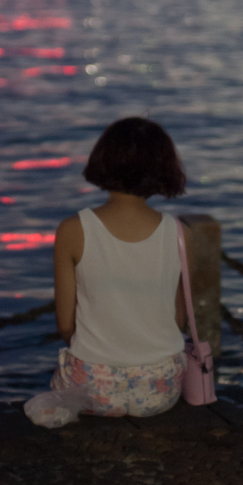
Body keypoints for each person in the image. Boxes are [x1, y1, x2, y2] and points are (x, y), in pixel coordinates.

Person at [27, 117, 191, 424]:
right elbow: (178, 320)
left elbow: (66, 326)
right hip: (161, 389)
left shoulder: (73, 230)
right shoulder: (181, 234)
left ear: (103, 160)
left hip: (93, 389)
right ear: (164, 167)